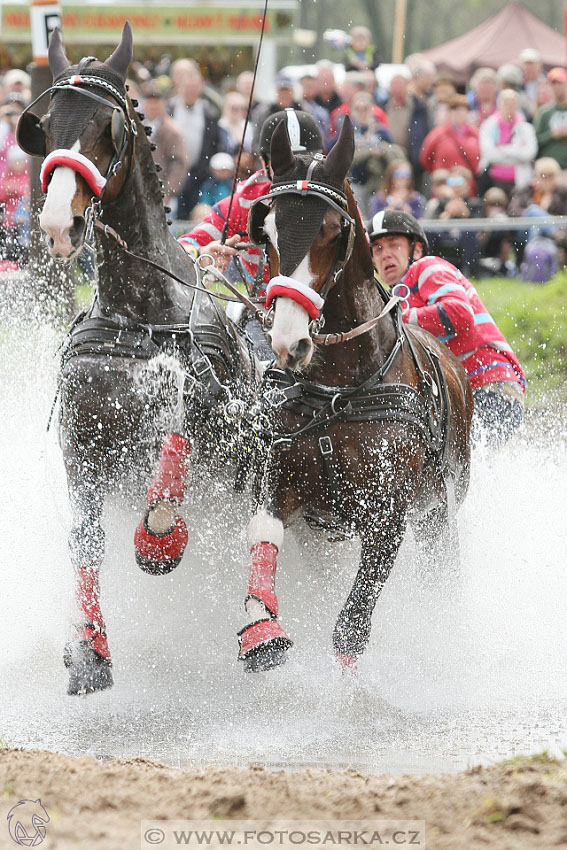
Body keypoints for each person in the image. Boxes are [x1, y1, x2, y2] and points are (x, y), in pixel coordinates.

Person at [367, 209, 526, 445]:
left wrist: (398, 317)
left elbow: (459, 313)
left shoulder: (427, 267)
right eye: (377, 249)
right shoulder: (395, 295)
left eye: (393, 244)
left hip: (490, 384)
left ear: (416, 250)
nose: (385, 254)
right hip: (466, 393)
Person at [178, 108, 324, 292]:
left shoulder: (336, 204)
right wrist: (201, 253)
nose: (295, 173)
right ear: (263, 164)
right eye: (282, 163)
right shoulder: (241, 205)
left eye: (305, 162)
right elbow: (183, 246)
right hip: (263, 313)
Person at [534, 67, 567, 169]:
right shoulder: (544, 112)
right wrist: (552, 134)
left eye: (560, 83)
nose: (557, 87)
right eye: (554, 84)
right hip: (548, 167)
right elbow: (536, 140)